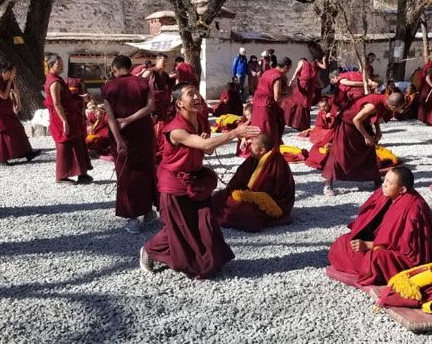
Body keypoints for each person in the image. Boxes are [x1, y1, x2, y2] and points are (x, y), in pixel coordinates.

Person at [140, 82, 258, 278]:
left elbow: (207, 149)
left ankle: (207, 262)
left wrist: (208, 143)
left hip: (196, 179)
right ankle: (149, 250)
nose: (197, 97)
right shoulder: (175, 130)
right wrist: (235, 133)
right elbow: (204, 143)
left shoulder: (201, 121)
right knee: (178, 229)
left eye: (197, 93)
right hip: (174, 183)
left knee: (205, 222)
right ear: (179, 104)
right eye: (190, 94)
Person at [327, 166, 432, 288]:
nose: (384, 185)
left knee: (379, 258)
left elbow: (407, 248)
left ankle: (363, 266)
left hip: (408, 259)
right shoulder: (386, 194)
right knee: (343, 242)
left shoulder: (413, 208)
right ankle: (360, 263)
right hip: (378, 243)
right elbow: (368, 219)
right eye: (384, 180)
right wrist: (362, 237)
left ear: (402, 189)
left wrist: (368, 245)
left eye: (389, 182)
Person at [102, 55, 158, 234]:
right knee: (146, 170)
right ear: (130, 66)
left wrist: (118, 140)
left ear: (114, 69)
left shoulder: (107, 87)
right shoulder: (142, 83)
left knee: (126, 174)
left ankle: (133, 219)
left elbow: (110, 116)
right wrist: (131, 119)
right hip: (143, 132)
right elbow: (151, 107)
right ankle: (149, 213)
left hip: (121, 135)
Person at [323, 92, 405, 196]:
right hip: (348, 124)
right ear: (393, 106)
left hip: (362, 123)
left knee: (369, 152)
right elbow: (356, 119)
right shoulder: (372, 106)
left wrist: (378, 131)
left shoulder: (385, 101)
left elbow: (376, 116)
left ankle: (377, 180)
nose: (399, 110)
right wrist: (366, 136)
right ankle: (328, 184)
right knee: (339, 154)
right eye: (399, 108)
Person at [211, 134, 295, 232]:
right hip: (253, 195)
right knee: (220, 197)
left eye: (253, 145)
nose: (249, 146)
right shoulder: (255, 158)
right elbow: (239, 180)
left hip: (274, 203)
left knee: (239, 209)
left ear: (262, 150)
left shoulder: (275, 164)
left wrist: (245, 195)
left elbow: (269, 193)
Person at [45, 54, 93, 184]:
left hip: (69, 116)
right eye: (58, 65)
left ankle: (81, 173)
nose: (61, 67)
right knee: (64, 145)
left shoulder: (58, 79)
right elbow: (57, 103)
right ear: (50, 66)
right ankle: (61, 176)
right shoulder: (54, 82)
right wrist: (64, 121)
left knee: (77, 142)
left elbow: (67, 99)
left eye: (62, 65)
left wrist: (81, 98)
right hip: (62, 117)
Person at [0, 64, 39, 164]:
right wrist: (10, 82)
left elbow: (16, 91)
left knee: (17, 127)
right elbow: (3, 96)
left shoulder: (9, 79)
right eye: (14, 72)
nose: (15, 74)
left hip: (5, 108)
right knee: (2, 130)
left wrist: (18, 104)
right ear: (7, 72)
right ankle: (2, 158)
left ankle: (27, 153)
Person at [251, 57, 292, 148]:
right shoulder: (278, 77)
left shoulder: (267, 72)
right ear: (285, 67)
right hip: (267, 107)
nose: (289, 70)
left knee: (258, 128)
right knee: (268, 131)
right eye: (289, 68)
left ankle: (256, 148)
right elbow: (277, 97)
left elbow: (267, 87)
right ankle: (268, 150)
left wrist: (284, 89)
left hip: (257, 104)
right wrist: (289, 95)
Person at [283, 56, 326, 131]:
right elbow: (324, 67)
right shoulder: (313, 65)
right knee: (305, 103)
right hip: (310, 86)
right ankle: (303, 124)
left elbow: (297, 70)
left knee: (295, 100)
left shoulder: (302, 62)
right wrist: (324, 60)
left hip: (303, 84)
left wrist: (292, 80)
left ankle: (290, 120)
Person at [418, 57, 432, 124]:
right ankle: (428, 120)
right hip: (427, 88)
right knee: (428, 104)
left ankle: (424, 119)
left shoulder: (429, 65)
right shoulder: (430, 67)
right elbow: (427, 78)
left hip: (424, 88)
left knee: (425, 104)